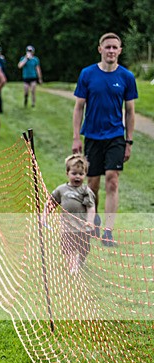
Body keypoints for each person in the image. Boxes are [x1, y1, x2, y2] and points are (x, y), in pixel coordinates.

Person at [72, 32, 137, 247]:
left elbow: (129, 111)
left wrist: (129, 141)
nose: (111, 51)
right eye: (107, 47)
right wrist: (76, 137)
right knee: (93, 184)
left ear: (119, 51)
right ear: (100, 49)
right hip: (92, 136)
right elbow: (79, 107)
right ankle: (94, 219)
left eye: (114, 47)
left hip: (115, 136)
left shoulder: (126, 77)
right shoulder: (87, 74)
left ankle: (108, 231)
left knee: (112, 179)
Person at [44, 154, 96, 273]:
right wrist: (44, 216)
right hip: (67, 227)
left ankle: (80, 262)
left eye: (81, 174)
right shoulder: (61, 190)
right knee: (69, 249)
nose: (77, 177)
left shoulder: (85, 191)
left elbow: (91, 207)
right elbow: (50, 204)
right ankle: (72, 267)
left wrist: (90, 221)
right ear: (67, 173)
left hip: (83, 228)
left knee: (84, 249)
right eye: (74, 173)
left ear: (85, 175)